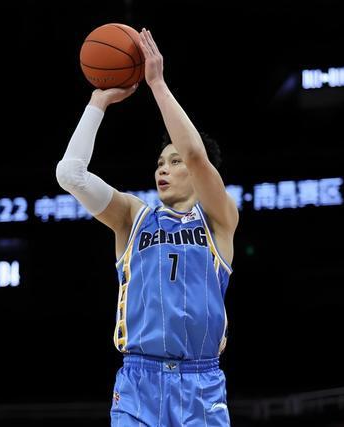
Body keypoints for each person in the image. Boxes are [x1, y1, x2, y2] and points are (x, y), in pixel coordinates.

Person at [56, 28, 238, 426]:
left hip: (201, 383)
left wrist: (156, 84)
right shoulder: (133, 216)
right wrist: (98, 101)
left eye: (174, 162)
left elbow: (195, 153)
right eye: (159, 163)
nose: (163, 169)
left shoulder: (218, 218)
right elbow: (70, 174)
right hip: (139, 382)